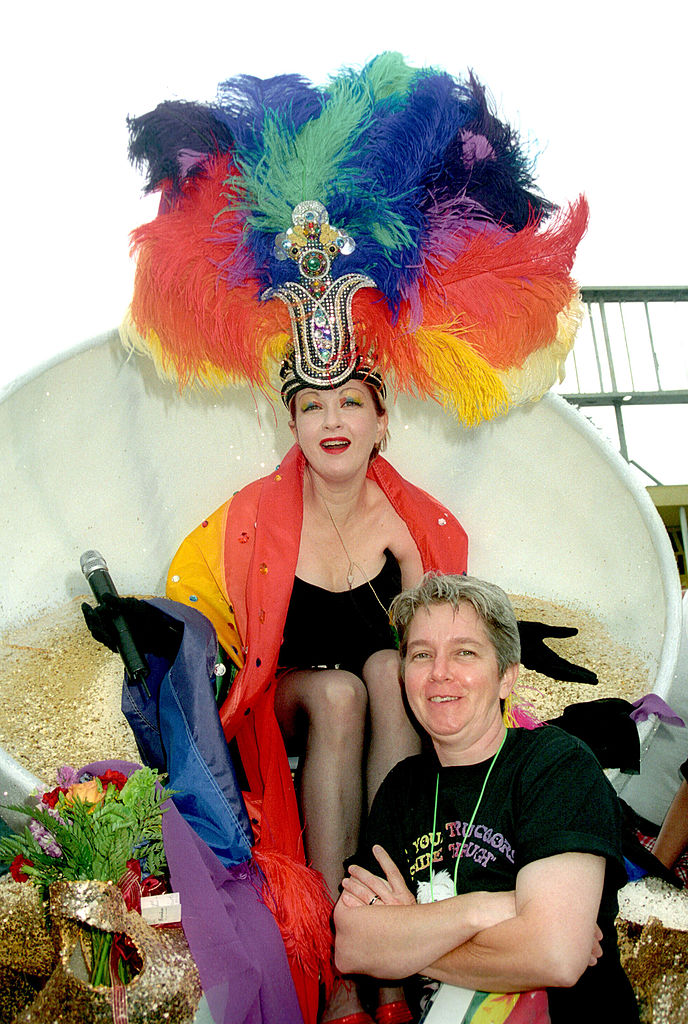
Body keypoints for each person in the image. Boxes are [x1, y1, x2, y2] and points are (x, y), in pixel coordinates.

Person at [116, 54, 590, 1024]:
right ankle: (342, 956)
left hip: (386, 724)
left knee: (377, 674)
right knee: (335, 688)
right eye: (312, 405)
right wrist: (155, 628)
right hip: (286, 707)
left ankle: (386, 916)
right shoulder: (246, 520)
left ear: (379, 419)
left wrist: (513, 642)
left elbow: (436, 640)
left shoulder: (422, 525)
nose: (330, 419)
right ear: (290, 422)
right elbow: (200, 621)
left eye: (349, 402)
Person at [334, 573, 639, 1023]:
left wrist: (409, 931)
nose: (440, 672)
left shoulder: (556, 765)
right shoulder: (403, 788)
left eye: (465, 652)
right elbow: (353, 946)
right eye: (421, 654)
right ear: (403, 678)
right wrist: (493, 907)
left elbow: (555, 954)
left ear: (506, 677)